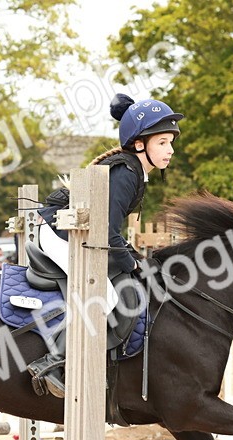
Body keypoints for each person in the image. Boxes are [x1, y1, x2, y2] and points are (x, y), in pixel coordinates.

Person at [26, 92, 182, 398]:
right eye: (162, 142)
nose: (170, 150)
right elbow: (108, 233)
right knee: (108, 297)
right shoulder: (126, 172)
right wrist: (132, 263)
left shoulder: (134, 171)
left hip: (75, 233)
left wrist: (133, 257)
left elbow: (112, 234)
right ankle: (52, 361)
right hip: (58, 235)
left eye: (171, 142)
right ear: (140, 144)